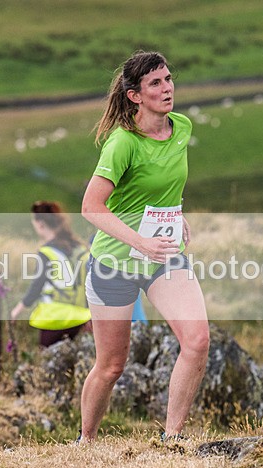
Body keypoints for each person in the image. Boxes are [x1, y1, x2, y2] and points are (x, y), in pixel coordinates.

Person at [79, 51, 210, 442]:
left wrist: (176, 212)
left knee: (198, 340)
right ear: (135, 95)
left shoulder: (181, 127)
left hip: (163, 258)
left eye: (168, 79)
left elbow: (165, 182)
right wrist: (140, 241)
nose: (167, 88)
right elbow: (91, 207)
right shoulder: (122, 143)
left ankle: (172, 439)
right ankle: (86, 440)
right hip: (114, 262)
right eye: (156, 83)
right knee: (111, 365)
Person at [10, 201, 91, 347]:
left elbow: (37, 285)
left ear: (40, 223)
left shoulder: (47, 252)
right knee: (70, 362)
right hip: (79, 319)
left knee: (49, 362)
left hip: (54, 318)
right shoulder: (81, 248)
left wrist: (18, 310)